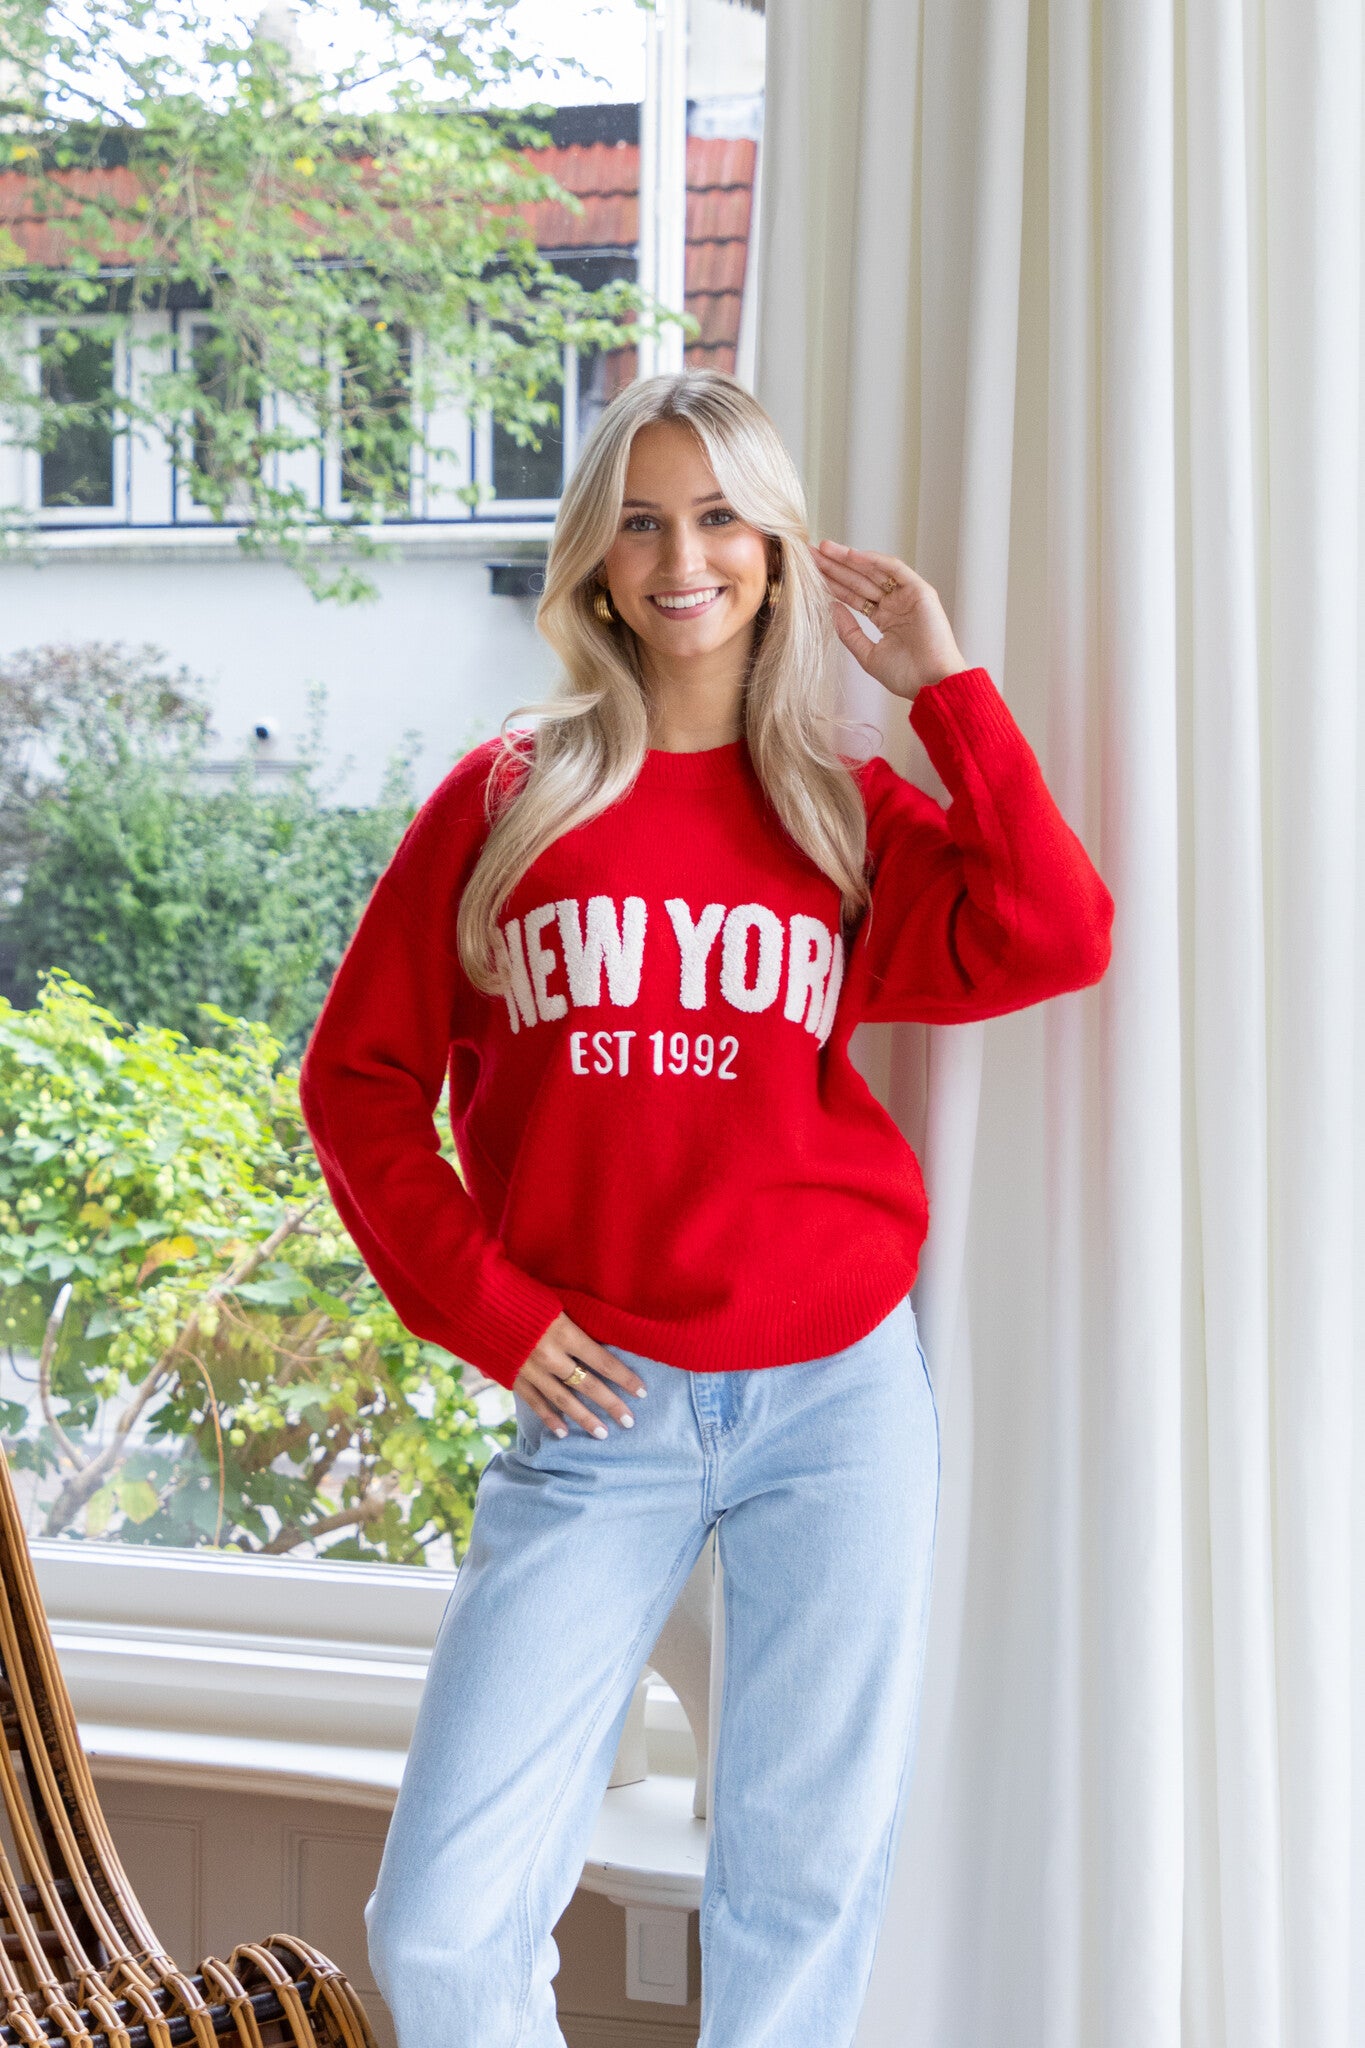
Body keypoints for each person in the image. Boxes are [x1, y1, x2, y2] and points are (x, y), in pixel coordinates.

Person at [298, 368, 1114, 2048]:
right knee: (442, 1929)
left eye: (723, 517)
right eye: (644, 523)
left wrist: (945, 689)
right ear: (596, 562)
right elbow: (357, 1084)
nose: (685, 559)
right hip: (600, 1406)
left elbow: (1053, 931)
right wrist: (495, 1316)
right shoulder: (505, 799)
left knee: (800, 1888)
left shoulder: (835, 808)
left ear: (776, 547)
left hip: (836, 1394)